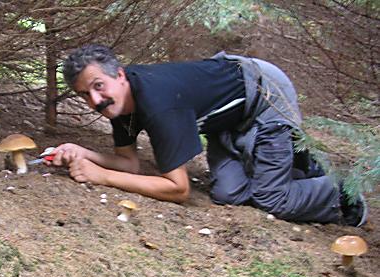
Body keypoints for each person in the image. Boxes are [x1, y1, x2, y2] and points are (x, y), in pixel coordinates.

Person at [48, 44, 367, 226]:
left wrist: (101, 176)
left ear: (119, 75)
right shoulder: (119, 104)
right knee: (229, 195)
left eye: (97, 86)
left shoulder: (159, 104)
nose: (95, 100)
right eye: (84, 95)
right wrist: (82, 152)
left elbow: (178, 189)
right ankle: (284, 166)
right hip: (223, 119)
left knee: (272, 199)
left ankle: (341, 191)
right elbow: (129, 163)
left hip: (264, 94)